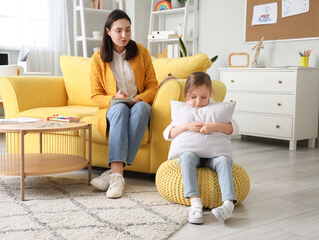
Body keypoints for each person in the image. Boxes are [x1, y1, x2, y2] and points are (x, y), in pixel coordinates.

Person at [89, 9, 158, 199]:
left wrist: (139, 98)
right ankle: (118, 175)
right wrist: (114, 97)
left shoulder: (142, 52)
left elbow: (153, 86)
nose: (124, 35)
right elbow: (95, 96)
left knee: (143, 107)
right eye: (118, 30)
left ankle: (114, 174)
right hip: (114, 108)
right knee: (119, 108)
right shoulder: (98, 59)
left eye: (128, 30)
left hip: (137, 104)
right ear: (108, 31)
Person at [163, 72, 238, 225]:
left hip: (214, 156)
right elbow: (167, 134)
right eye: (193, 97)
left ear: (210, 94)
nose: (198, 102)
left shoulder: (218, 110)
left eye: (204, 97)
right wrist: (186, 127)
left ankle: (228, 204)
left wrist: (214, 126)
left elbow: (234, 128)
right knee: (186, 157)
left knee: (224, 161)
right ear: (186, 95)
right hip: (193, 155)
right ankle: (195, 202)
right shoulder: (183, 111)